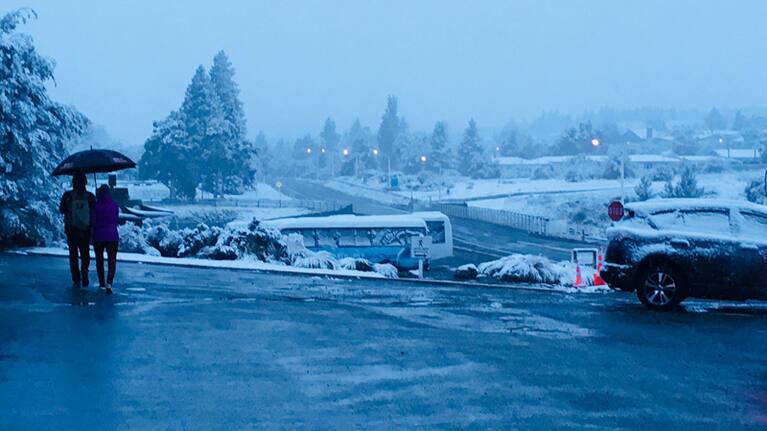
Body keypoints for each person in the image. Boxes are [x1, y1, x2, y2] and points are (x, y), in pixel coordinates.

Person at [59, 173, 96, 288]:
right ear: (85, 183)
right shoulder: (90, 196)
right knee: (85, 253)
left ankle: (76, 278)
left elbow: (61, 210)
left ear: (73, 183)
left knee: (73, 254)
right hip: (85, 230)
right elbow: (95, 213)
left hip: (71, 229)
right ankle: (84, 269)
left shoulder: (67, 195)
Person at [91, 184, 120, 294]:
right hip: (112, 236)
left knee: (99, 260)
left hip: (99, 236)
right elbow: (116, 220)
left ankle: (101, 282)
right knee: (112, 260)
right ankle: (109, 282)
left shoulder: (95, 206)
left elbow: (93, 221)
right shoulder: (114, 205)